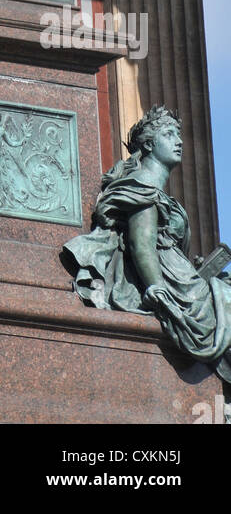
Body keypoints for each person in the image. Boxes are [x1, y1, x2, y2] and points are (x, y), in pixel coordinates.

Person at [63, 105, 231, 380]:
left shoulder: (154, 191)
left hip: (178, 276)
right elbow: (142, 244)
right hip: (169, 284)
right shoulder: (142, 187)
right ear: (150, 144)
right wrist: (157, 289)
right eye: (169, 134)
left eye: (178, 134)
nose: (178, 141)